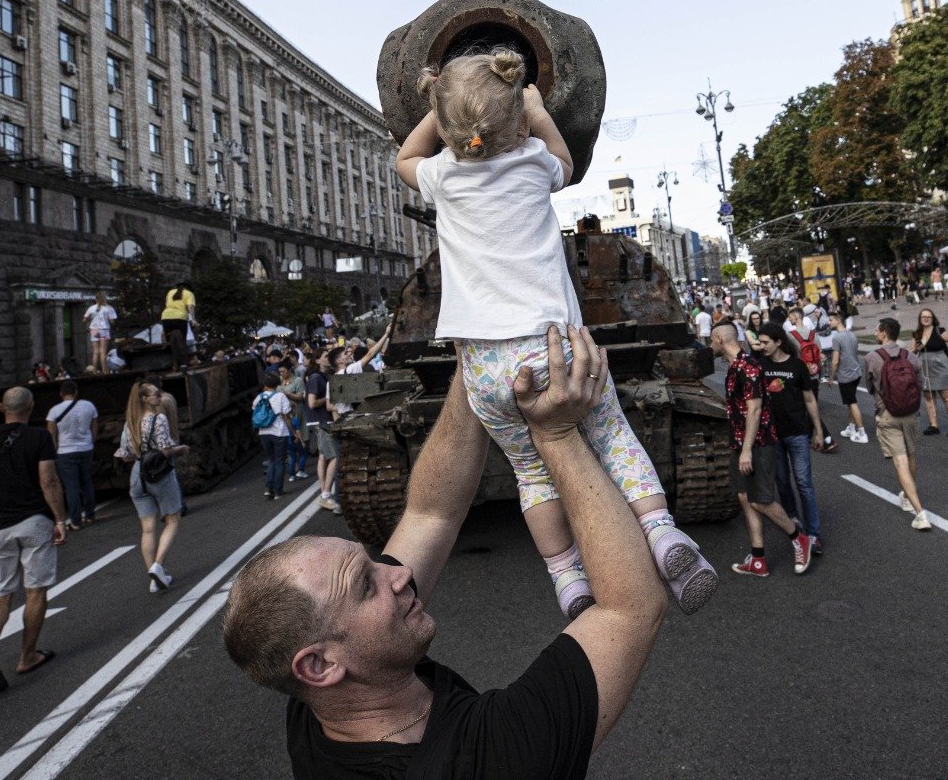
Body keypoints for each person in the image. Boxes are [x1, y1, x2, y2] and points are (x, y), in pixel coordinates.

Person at [223, 326, 665, 777]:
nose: (397, 574)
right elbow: (629, 608)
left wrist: (474, 357)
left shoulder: (320, 704)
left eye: (370, 564)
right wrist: (557, 436)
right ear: (320, 665)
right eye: (364, 586)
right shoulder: (486, 760)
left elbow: (431, 513)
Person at [394, 46, 715, 616]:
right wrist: (536, 108)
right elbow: (566, 158)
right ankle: (663, 534)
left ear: (448, 130)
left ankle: (567, 577)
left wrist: (439, 108)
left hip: (485, 370)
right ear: (519, 123)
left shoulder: (441, 176)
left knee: (530, 471)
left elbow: (406, 158)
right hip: (553, 347)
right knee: (614, 436)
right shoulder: (533, 164)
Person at [0, 386, 66, 692]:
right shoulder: (40, 437)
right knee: (36, 591)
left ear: (3, 407)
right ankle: (27, 656)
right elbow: (49, 480)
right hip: (34, 521)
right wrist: (60, 519)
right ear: (30, 407)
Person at [708, 323, 811, 578]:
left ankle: (800, 538)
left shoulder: (749, 367)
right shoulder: (734, 367)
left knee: (760, 499)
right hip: (740, 442)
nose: (709, 345)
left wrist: (746, 451)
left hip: (757, 444)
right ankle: (758, 559)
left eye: (711, 340)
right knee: (744, 496)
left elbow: (754, 410)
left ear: (720, 339)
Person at [750, 327, 824, 556]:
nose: (762, 347)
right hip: (772, 436)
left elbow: (810, 400)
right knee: (782, 481)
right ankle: (794, 522)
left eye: (765, 342)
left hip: (798, 433)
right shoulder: (760, 366)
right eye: (760, 343)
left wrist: (818, 430)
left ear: (778, 342)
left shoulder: (797, 365)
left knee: (803, 482)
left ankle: (814, 534)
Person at [116, 381, 188, 591]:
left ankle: (155, 577)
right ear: (145, 399)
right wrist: (181, 448)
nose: (160, 396)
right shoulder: (159, 418)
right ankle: (157, 566)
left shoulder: (130, 422)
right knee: (173, 519)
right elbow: (166, 448)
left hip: (138, 474)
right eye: (156, 394)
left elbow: (125, 454)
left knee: (147, 529)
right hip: (159, 474)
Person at [862, 318, 933, 531]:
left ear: (884, 333)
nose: (875, 332)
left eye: (877, 330)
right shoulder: (910, 356)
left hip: (887, 413)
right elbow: (920, 383)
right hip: (911, 412)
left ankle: (919, 511)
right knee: (911, 455)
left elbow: (870, 386)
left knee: (899, 461)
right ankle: (906, 494)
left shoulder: (872, 357)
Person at [46, 380, 98, 530]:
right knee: (87, 482)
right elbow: (94, 428)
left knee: (71, 487)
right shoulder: (89, 406)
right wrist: (91, 443)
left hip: (65, 452)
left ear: (61, 394)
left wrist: (55, 452)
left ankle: (75, 521)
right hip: (86, 448)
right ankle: (90, 515)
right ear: (76, 392)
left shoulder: (54, 411)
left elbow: (51, 435)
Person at [911, 308, 948, 437]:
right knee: (929, 396)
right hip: (924, 365)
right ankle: (933, 425)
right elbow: (911, 351)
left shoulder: (940, 331)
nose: (926, 318)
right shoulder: (917, 333)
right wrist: (916, 349)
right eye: (923, 316)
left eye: (928, 316)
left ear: (933, 318)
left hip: (940, 365)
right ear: (920, 318)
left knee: (946, 396)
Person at [305, 354, 339, 510]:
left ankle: (324, 492)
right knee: (333, 456)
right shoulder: (316, 378)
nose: (327, 358)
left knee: (323, 456)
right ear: (317, 360)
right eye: (324, 356)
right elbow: (311, 403)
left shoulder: (323, 376)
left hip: (322, 421)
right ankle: (325, 494)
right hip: (321, 422)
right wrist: (328, 399)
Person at [255, 371, 294, 501]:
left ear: (265, 384)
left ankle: (268, 489)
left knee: (271, 460)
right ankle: (278, 491)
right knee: (279, 461)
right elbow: (287, 415)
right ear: (277, 384)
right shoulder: (280, 396)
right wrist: (292, 431)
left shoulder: (259, 397)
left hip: (263, 433)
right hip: (279, 432)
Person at [832, 320, 868, 443]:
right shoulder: (852, 334)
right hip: (856, 373)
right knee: (850, 402)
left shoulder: (836, 337)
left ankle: (862, 433)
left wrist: (831, 377)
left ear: (838, 321)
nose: (829, 321)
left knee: (852, 402)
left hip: (845, 375)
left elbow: (835, 361)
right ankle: (851, 428)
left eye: (831, 319)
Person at [278, 360, 312, 482]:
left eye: (284, 371)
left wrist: (287, 393)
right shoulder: (279, 382)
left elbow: (301, 396)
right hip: (285, 415)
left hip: (297, 412)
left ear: (290, 370)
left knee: (301, 437)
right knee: (290, 443)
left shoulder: (297, 381)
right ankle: (297, 469)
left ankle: (299, 468)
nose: (282, 374)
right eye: (280, 372)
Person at [160, 282, 197, 372]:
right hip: (180, 318)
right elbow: (190, 307)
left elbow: (167, 305)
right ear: (188, 289)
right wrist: (193, 319)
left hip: (166, 317)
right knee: (182, 342)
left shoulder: (170, 292)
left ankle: (175, 365)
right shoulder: (189, 294)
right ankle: (184, 364)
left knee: (172, 343)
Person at [83, 291, 117, 374]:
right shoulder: (109, 308)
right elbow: (112, 321)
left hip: (94, 329)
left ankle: (94, 370)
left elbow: (84, 320)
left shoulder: (91, 308)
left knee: (95, 351)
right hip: (104, 329)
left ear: (96, 299)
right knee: (103, 351)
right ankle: (105, 370)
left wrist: (90, 318)